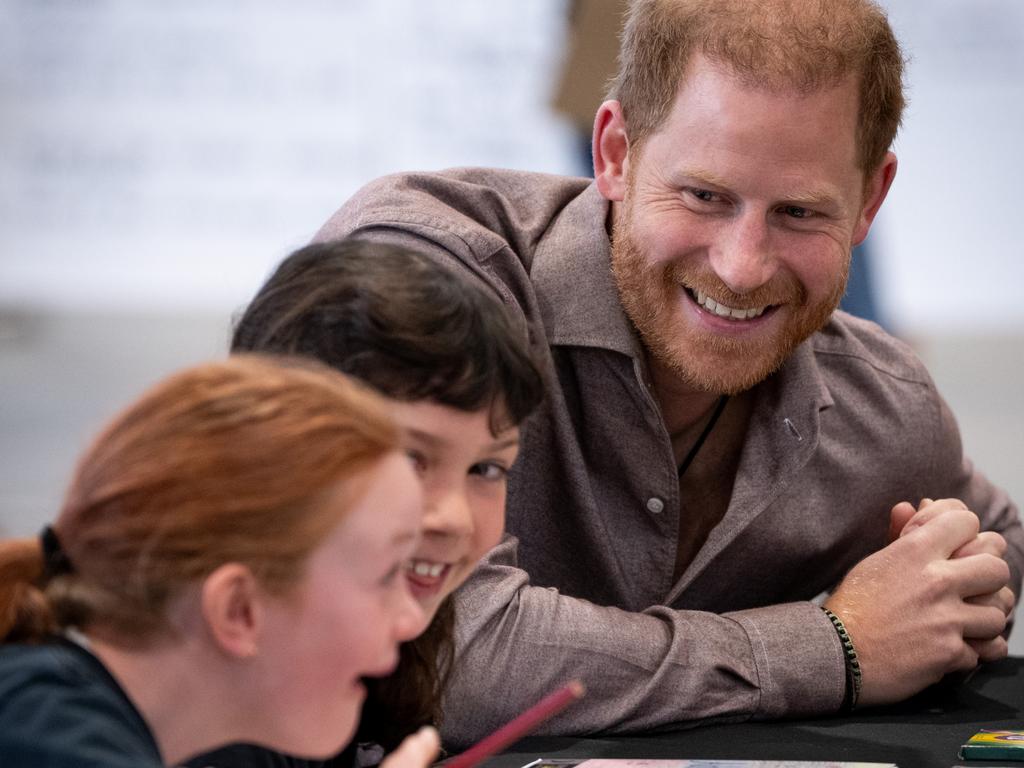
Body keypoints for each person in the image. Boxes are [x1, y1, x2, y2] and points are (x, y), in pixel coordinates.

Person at [311, 0, 1024, 746]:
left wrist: (950, 583)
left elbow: (994, 541)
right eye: (704, 196)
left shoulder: (879, 405)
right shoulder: (420, 275)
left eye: (800, 213)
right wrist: (835, 647)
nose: (741, 267)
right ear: (615, 152)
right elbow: (431, 646)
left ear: (869, 200)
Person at [187, 238, 545, 768]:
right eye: (410, 459)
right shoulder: (192, 703)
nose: (454, 518)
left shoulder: (367, 658)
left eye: (486, 469)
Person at [0, 356, 442, 768]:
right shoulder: (46, 741)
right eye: (385, 576)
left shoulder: (57, 710)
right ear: (238, 609)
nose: (409, 618)